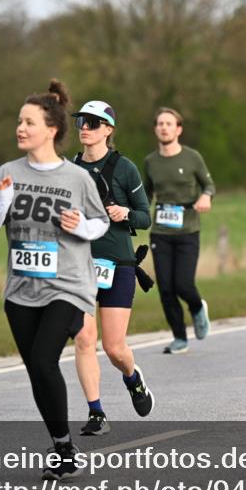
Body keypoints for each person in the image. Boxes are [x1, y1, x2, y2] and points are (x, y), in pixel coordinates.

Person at [0, 80, 109, 480]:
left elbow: (101, 222)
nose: (20, 128)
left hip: (67, 285)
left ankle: (66, 450)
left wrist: (82, 226)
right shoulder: (7, 173)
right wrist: (2, 204)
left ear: (51, 129)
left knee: (42, 359)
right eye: (19, 121)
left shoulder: (76, 178)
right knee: (37, 370)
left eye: (29, 122)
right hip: (21, 289)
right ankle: (62, 446)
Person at [70, 100, 155, 436]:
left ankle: (133, 379)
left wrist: (125, 213)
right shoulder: (70, 168)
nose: (84, 128)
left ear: (108, 129)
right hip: (79, 264)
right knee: (83, 338)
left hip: (118, 263)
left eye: (92, 123)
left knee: (114, 347)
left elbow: (145, 217)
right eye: (81, 122)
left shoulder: (124, 168)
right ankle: (96, 413)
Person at [143, 107, 215, 354]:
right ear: (156, 129)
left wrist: (206, 196)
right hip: (161, 232)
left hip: (188, 230)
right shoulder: (151, 162)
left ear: (178, 129)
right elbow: (146, 193)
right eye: (160, 124)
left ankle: (197, 308)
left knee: (183, 284)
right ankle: (179, 338)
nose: (164, 128)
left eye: (169, 124)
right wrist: (134, 212)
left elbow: (209, 185)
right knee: (165, 288)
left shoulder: (192, 157)